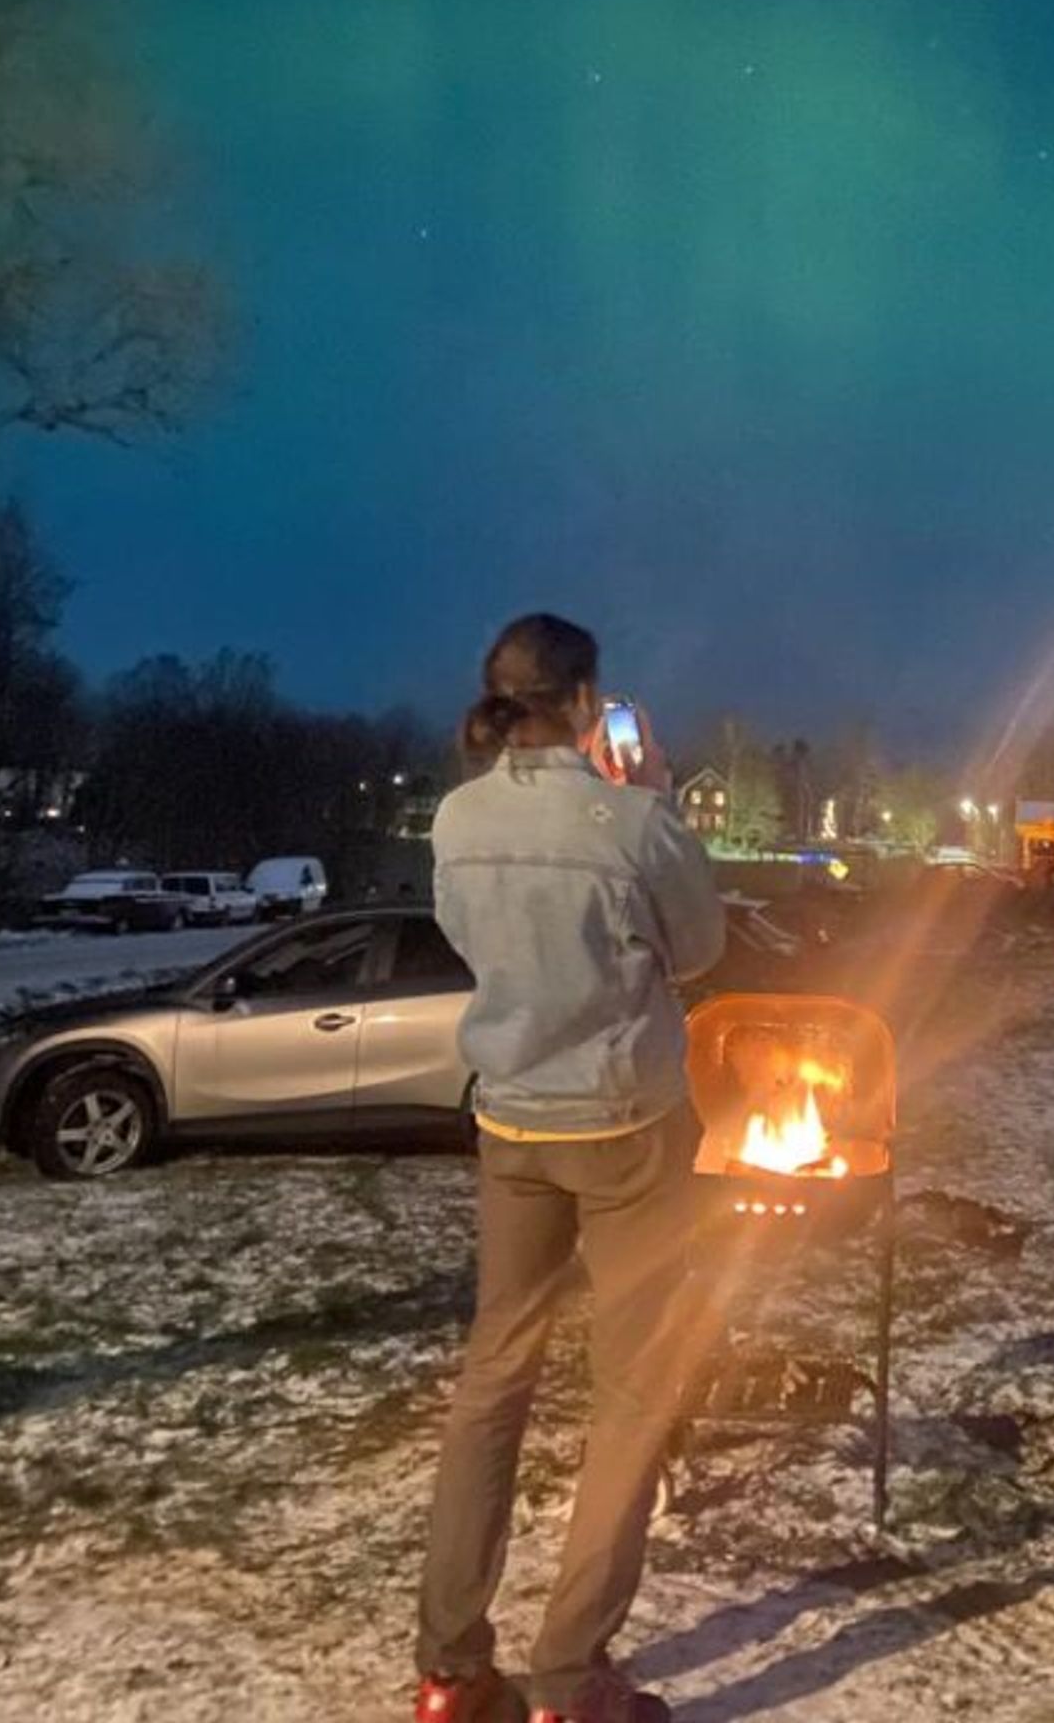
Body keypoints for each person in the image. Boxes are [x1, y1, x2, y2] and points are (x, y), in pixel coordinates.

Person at [414, 613, 726, 1723]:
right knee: (633, 1395)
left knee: (496, 1377)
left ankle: (449, 1670)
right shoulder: (630, 822)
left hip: (514, 1125)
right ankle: (567, 1679)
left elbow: (470, 943)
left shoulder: (454, 819)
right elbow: (699, 953)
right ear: (588, 700)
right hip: (628, 1127)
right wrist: (659, 803)